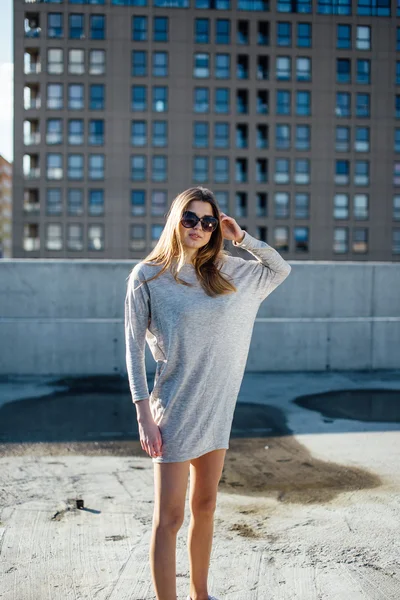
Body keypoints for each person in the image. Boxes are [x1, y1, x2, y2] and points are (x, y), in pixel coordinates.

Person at [124, 186, 292, 600]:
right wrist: (143, 414)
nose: (199, 227)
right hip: (174, 412)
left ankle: (202, 594)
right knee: (169, 518)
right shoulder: (148, 276)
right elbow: (130, 350)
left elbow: (279, 268)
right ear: (175, 221)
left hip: (217, 410)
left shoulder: (232, 271)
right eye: (190, 218)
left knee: (206, 507)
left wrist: (242, 238)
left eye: (208, 220)